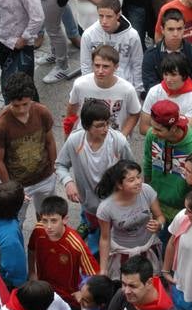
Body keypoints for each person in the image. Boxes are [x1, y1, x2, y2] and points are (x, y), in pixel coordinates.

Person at [55, 99, 134, 247]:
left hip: (115, 205)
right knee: (96, 237)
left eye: (107, 123)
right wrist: (68, 182)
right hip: (89, 205)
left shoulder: (118, 141)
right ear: (86, 126)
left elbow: (131, 168)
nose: (105, 129)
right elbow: (60, 165)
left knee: (115, 240)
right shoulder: (75, 141)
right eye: (99, 126)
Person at [0, 73, 56, 218]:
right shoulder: (0, 125)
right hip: (18, 184)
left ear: (31, 98)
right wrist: (10, 189)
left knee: (46, 216)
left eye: (25, 104)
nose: (21, 110)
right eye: (16, 106)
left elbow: (50, 141)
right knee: (16, 221)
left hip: (45, 176)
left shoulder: (42, 112)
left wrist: (53, 167)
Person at [95, 160, 164, 278]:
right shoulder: (106, 208)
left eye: (138, 177)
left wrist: (159, 224)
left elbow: (160, 216)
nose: (138, 182)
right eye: (131, 180)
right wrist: (103, 270)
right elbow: (105, 238)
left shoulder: (146, 190)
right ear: (119, 185)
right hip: (122, 253)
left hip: (148, 247)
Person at [27, 195, 98, 309]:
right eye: (45, 220)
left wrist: (82, 293)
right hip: (44, 291)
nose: (48, 226)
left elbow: (94, 273)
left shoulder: (75, 243)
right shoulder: (38, 230)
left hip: (68, 298)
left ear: (65, 219)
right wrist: (31, 272)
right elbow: (31, 249)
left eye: (54, 221)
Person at [142, 99, 192, 224]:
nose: (153, 132)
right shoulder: (152, 135)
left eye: (159, 129)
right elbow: (148, 162)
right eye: (152, 126)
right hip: (156, 203)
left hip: (180, 210)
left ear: (174, 128)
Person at [67, 44, 141, 137]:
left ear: (116, 67)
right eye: (97, 65)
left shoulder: (127, 90)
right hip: (86, 137)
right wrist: (69, 135)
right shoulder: (80, 84)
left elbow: (135, 113)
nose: (100, 71)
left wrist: (123, 135)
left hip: (113, 139)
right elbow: (71, 110)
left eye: (105, 66)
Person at [98, 253, 179, 310]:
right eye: (124, 284)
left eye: (132, 286)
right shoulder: (122, 295)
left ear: (149, 283)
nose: (126, 291)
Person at [79, 0, 143, 95]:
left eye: (109, 16)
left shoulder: (132, 36)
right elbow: (86, 65)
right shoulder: (88, 35)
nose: (104, 21)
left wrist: (138, 91)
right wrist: (88, 89)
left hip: (124, 87)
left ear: (118, 15)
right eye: (101, 16)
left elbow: (137, 65)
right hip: (98, 87)